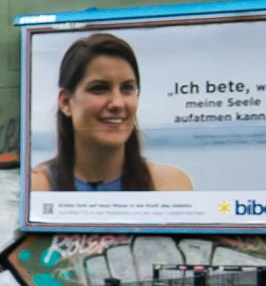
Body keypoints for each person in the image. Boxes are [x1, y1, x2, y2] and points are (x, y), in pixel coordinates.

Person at [28, 30, 193, 193]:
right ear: (65, 102)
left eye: (127, 88)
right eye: (99, 88)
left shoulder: (171, 186)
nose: (117, 103)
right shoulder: (37, 188)